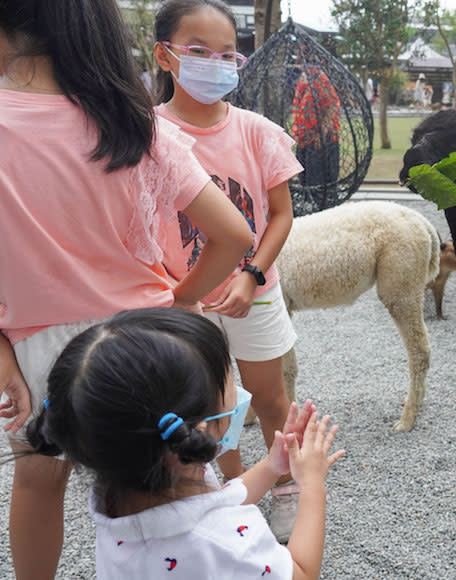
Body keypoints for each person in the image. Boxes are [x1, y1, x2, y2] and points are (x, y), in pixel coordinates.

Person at [0, 1, 253, 577]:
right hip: (151, 341)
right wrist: (184, 300)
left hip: (40, 351)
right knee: (175, 483)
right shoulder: (131, 121)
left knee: (38, 483)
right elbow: (235, 235)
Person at [23, 308, 343, 579]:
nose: (237, 390)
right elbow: (301, 571)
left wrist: (272, 467)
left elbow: (217, 500)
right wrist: (313, 487)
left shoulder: (120, 495)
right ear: (198, 428)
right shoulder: (224, 541)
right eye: (229, 382)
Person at [152, 0, 305, 542]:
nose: (213, 64)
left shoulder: (257, 131)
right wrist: (174, 294)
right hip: (179, 298)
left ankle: (287, 483)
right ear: (164, 56)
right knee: (214, 404)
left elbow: (282, 214)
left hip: (253, 290)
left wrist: (253, 275)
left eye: (226, 55)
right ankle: (235, 490)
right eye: (197, 52)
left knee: (268, 396)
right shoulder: (145, 133)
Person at [290, 65, 341, 189]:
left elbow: (333, 105)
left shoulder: (320, 79)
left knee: (319, 185)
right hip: (304, 139)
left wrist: (321, 133)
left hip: (321, 141)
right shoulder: (304, 78)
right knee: (305, 181)